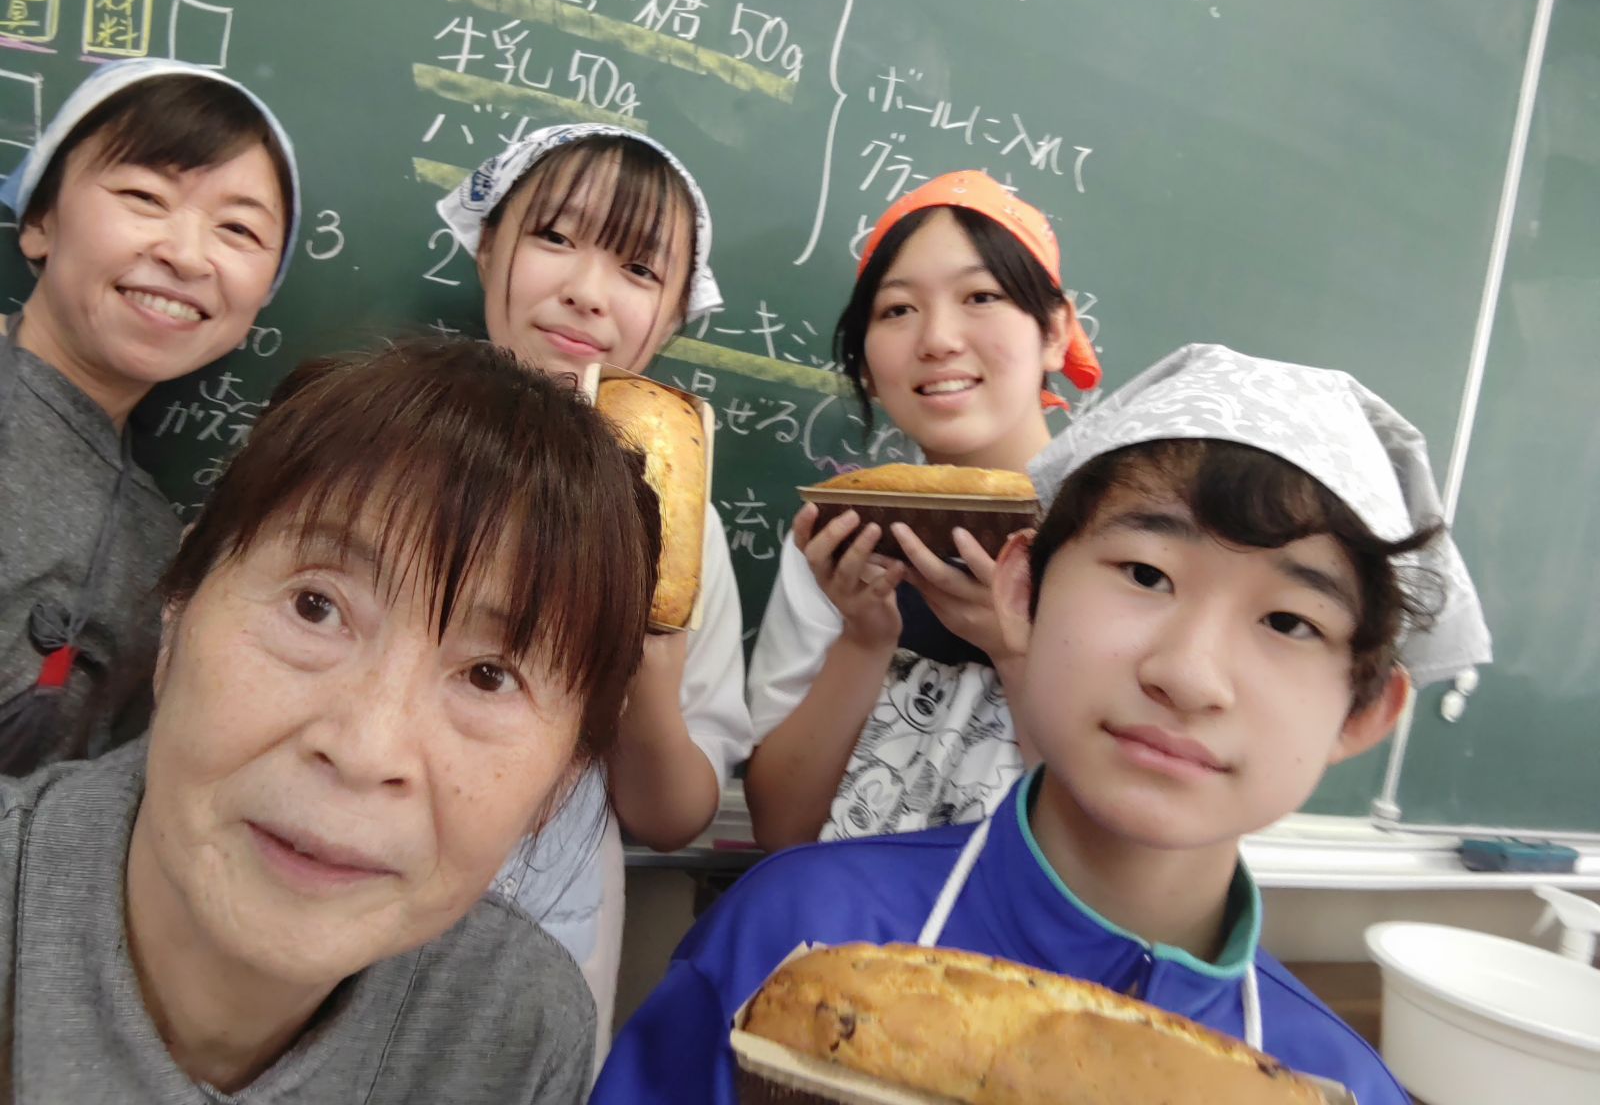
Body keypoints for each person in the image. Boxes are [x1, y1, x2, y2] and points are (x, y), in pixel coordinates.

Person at [592, 343, 1493, 1105]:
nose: (1187, 674)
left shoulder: (1337, 1087)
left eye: (1289, 622)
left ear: (1364, 711)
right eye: (1146, 574)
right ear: (1023, 591)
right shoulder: (793, 936)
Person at [0, 338, 663, 1102]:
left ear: (564, 778)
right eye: (315, 607)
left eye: (489, 676)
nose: (364, 749)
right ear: (177, 613)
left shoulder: (516, 1029)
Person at [437, 124, 751, 1045]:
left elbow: (672, 816)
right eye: (554, 237)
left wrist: (651, 666)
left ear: (677, 315)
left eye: (639, 269)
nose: (587, 289)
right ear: (487, 243)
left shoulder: (687, 529)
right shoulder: (381, 445)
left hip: (542, 942)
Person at [744, 171, 1101, 850]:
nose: (937, 338)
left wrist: (1013, 650)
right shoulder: (842, 537)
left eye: (981, 296)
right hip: (849, 910)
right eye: (898, 309)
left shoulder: (1121, 539)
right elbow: (781, 832)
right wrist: (865, 636)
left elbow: (1114, 847)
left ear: (1055, 332)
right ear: (866, 365)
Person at [0, 58, 300, 775]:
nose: (187, 255)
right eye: (144, 196)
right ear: (40, 220)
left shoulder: (161, 548)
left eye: (238, 229)